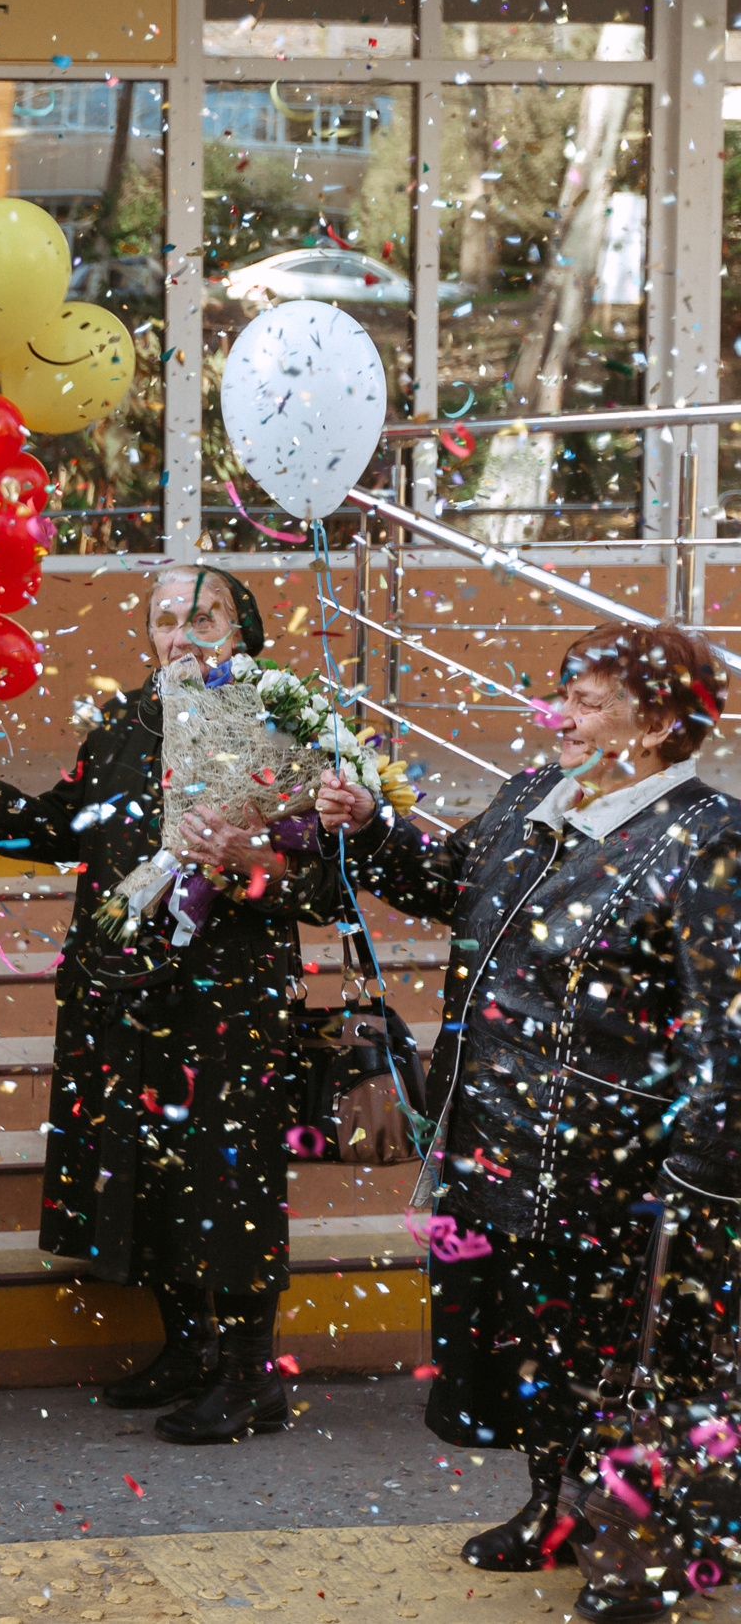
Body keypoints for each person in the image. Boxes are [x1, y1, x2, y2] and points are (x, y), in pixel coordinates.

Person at [315, 622, 741, 1575]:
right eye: (560, 694)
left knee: (623, 1361)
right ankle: (554, 1505)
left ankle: (651, 1548)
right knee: (532, 1349)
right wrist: (372, 827)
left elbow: (727, 1025)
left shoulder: (711, 837)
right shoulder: (529, 797)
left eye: (585, 702)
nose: (558, 716)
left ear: (659, 721)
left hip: (616, 1162)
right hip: (494, 1136)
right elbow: (449, 884)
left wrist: (702, 1177)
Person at [0, 566, 335, 1444]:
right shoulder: (127, 720)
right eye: (164, 619)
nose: (180, 634)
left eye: (203, 616)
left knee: (228, 1180)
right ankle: (188, 1346)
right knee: (151, 1173)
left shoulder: (285, 724)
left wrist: (246, 861)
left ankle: (250, 1374)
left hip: (230, 999)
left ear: (244, 629)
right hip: (124, 989)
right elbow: (66, 826)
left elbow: (324, 887)